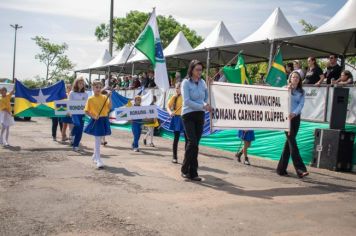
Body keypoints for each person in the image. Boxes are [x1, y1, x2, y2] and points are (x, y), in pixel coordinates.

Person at [181, 60, 211, 181]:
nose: (200, 72)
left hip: (200, 115)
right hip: (188, 114)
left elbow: (205, 98)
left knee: (195, 144)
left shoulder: (203, 82)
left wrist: (209, 86)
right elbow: (186, 101)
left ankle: (193, 172)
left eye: (201, 69)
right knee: (192, 142)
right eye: (197, 69)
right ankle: (185, 168)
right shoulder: (186, 83)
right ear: (191, 70)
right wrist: (202, 106)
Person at [277, 71, 309, 178]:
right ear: (290, 78)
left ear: (299, 80)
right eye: (293, 77)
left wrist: (294, 113)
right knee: (293, 143)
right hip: (286, 118)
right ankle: (300, 169)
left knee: (289, 144)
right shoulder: (284, 88)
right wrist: (288, 91)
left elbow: (301, 104)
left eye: (297, 77)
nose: (295, 79)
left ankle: (281, 169)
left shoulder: (301, 91)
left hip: (295, 118)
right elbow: (279, 100)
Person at [84, 80, 112, 169]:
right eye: (96, 87)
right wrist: (93, 116)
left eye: (100, 87)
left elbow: (109, 107)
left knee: (99, 140)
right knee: (97, 140)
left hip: (104, 119)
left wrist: (109, 97)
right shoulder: (90, 99)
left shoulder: (104, 97)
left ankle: (95, 156)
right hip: (96, 120)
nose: (98, 89)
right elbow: (86, 111)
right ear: (93, 87)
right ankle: (98, 160)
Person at [166, 82, 185, 163]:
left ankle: (187, 158)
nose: (177, 89)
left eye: (179, 88)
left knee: (188, 139)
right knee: (176, 138)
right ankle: (174, 156)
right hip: (177, 118)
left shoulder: (186, 97)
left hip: (185, 118)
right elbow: (168, 106)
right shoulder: (174, 97)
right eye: (176, 88)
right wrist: (170, 112)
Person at [69, 77, 88, 151]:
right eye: (79, 83)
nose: (81, 85)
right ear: (76, 83)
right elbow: (69, 103)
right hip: (74, 113)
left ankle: (76, 145)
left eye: (82, 83)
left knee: (80, 130)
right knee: (77, 124)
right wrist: (70, 112)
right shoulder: (72, 93)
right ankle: (72, 134)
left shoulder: (85, 94)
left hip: (82, 114)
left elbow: (86, 104)